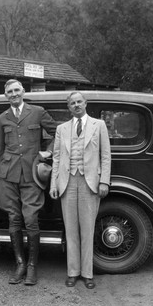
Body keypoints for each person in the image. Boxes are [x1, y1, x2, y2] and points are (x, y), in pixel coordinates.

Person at [0, 79, 57, 286]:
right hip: (8, 175)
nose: (13, 94)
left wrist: (48, 151)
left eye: (16, 90)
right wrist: (1, 173)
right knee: (13, 218)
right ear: (6, 95)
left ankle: (32, 266)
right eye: (9, 92)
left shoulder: (38, 111)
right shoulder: (2, 118)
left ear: (23, 91)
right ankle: (19, 263)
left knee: (30, 218)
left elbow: (57, 133)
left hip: (32, 174)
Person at [49, 92, 111, 289]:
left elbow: (106, 156)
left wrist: (104, 182)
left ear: (85, 104)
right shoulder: (62, 129)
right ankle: (72, 272)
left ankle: (87, 274)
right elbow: (56, 158)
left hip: (89, 182)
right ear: (69, 107)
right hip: (67, 182)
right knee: (71, 230)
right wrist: (54, 184)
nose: (76, 105)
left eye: (79, 102)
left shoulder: (98, 125)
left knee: (87, 229)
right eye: (72, 103)